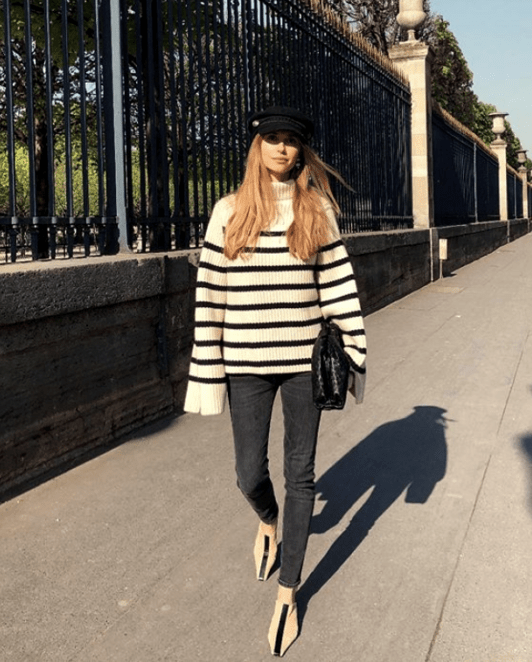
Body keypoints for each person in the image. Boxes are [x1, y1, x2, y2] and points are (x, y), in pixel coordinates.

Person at [184, 106, 367, 656]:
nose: (282, 149)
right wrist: (206, 368)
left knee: (301, 474)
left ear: (301, 151)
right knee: (247, 473)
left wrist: (354, 350)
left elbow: (338, 286)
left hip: (302, 362)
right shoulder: (229, 212)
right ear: (257, 147)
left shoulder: (317, 210)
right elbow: (210, 295)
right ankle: (267, 520)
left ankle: (288, 592)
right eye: (272, 139)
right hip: (244, 362)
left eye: (291, 141)